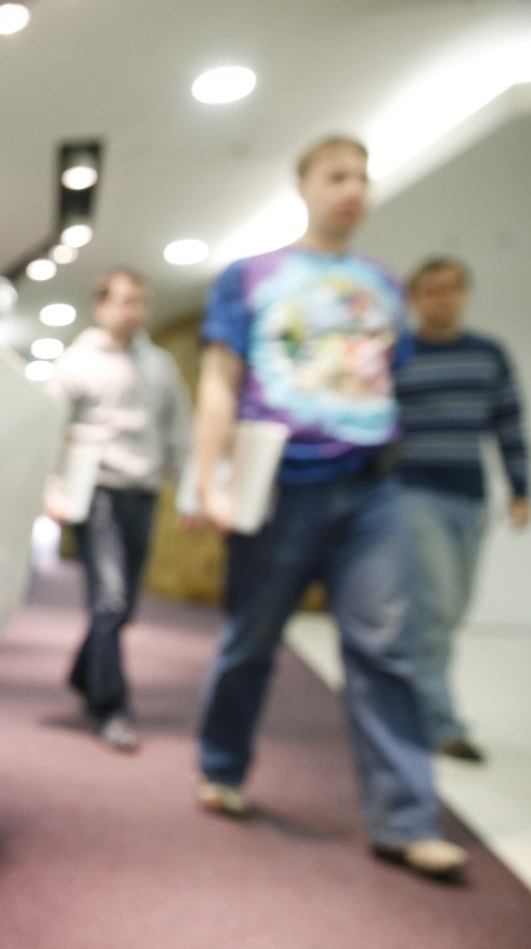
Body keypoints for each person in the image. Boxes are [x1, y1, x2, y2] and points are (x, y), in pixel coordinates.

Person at [188, 135, 467, 880]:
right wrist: (208, 482)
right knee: (251, 640)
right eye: (336, 175)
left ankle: (406, 821)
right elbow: (219, 380)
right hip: (281, 484)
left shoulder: (382, 285)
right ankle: (221, 766)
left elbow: (384, 375)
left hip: (373, 488)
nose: (351, 189)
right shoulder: (251, 277)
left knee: (386, 651)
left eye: (362, 178)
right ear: (305, 187)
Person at [45, 268, 191, 752]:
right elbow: (50, 429)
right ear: (102, 306)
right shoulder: (77, 362)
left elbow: (179, 432)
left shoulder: (160, 366)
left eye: (141, 302)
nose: (135, 312)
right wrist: (51, 490)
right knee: (108, 600)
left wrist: (189, 491)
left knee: (123, 607)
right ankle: (111, 707)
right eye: (126, 301)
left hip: (143, 492)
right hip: (97, 492)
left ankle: (83, 673)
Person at [396, 257, 531, 763]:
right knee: (436, 606)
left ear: (465, 293)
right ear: (415, 299)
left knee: (452, 610)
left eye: (450, 288)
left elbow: (509, 423)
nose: (441, 298)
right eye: (430, 290)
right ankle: (440, 724)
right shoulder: (398, 354)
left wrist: (520, 489)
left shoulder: (488, 355)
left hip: (469, 496)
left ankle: (409, 698)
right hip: (412, 492)